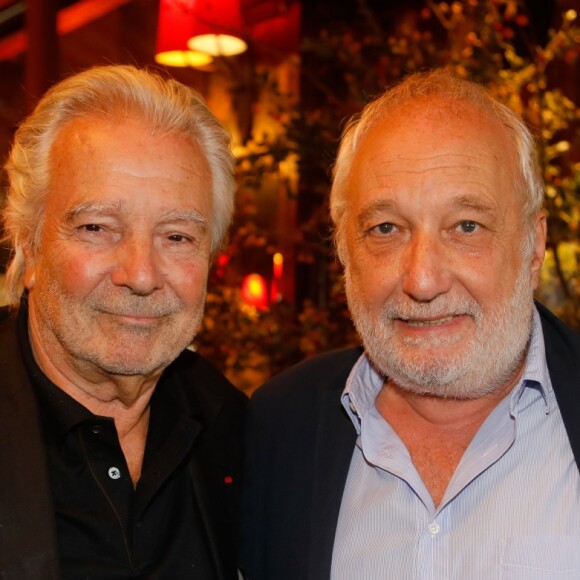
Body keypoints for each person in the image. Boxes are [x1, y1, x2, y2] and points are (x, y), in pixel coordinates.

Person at [241, 68, 580, 579]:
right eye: (385, 228)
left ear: (534, 246)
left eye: (467, 225)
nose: (422, 279)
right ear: (343, 252)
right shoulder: (277, 427)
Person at [0, 64, 246, 580]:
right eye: (97, 227)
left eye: (176, 236)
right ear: (29, 243)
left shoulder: (240, 433)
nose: (140, 274)